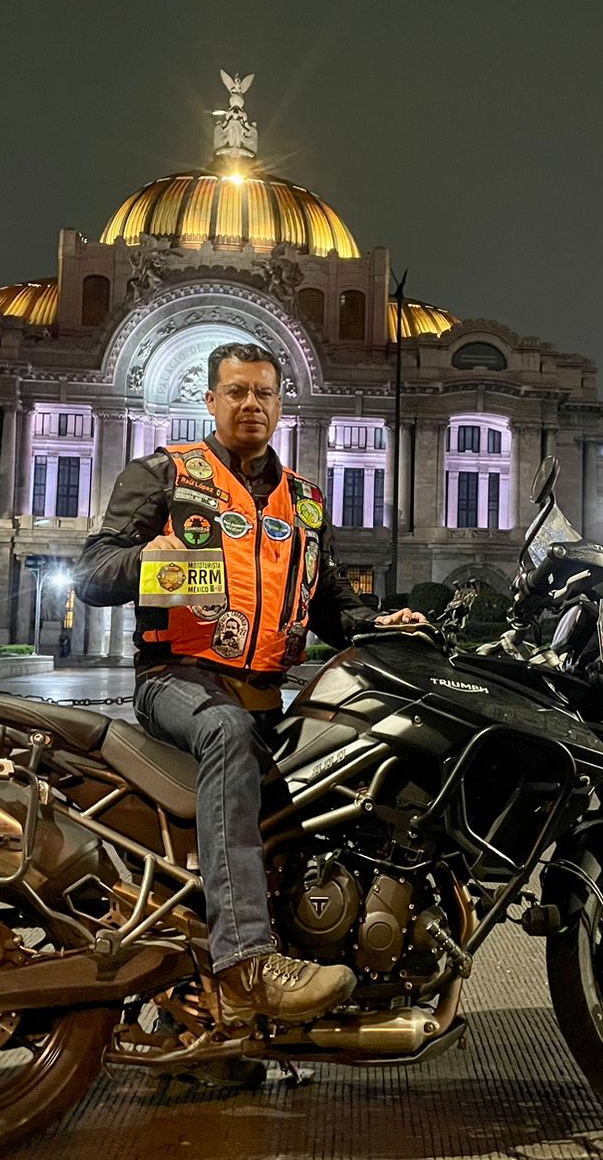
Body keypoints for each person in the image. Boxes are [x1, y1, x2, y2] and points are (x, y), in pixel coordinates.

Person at [73, 341, 426, 1032]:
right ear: (210, 400)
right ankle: (245, 964)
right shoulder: (166, 475)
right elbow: (91, 573)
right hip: (178, 681)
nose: (250, 404)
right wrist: (144, 557)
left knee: (325, 807)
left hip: (268, 694)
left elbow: (329, 605)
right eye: (235, 391)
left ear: (281, 404)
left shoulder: (305, 502)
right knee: (225, 730)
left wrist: (380, 622)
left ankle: (231, 1025)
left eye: (263, 393)